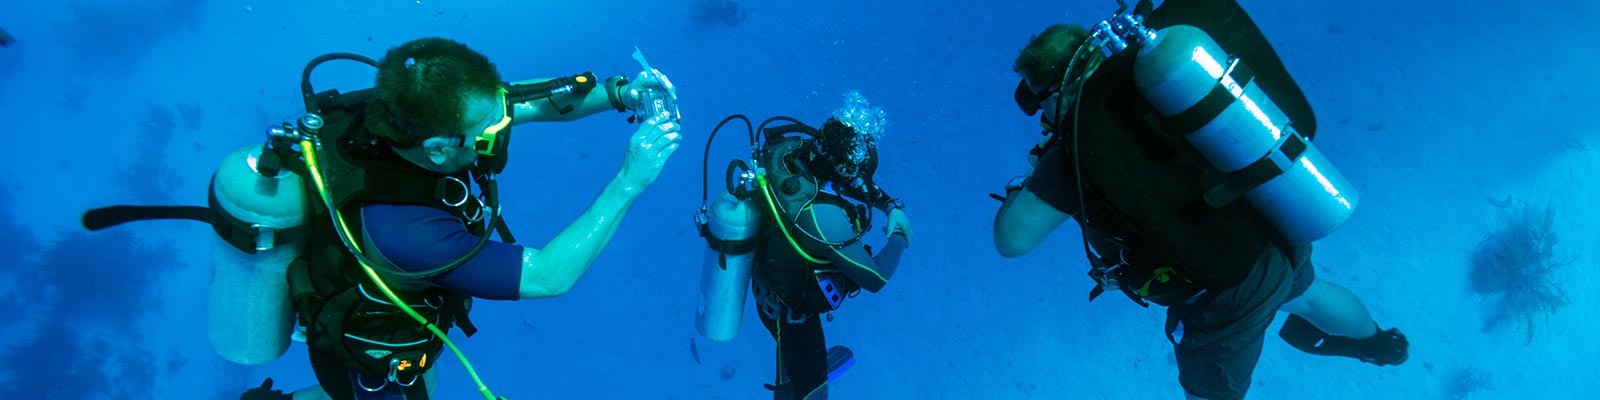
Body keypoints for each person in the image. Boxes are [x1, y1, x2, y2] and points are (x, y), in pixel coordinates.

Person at [991, 2, 1407, 400]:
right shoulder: (1157, 76)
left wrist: (1021, 188)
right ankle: (1380, 344)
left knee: (1208, 393)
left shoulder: (1077, 149)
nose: (1042, 114)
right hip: (1276, 221)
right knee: (1311, 295)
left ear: (1058, 89)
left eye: (1038, 99)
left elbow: (1013, 241)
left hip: (1229, 290)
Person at [706, 92, 913, 400]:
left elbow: (850, 180)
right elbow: (875, 278)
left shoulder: (792, 151)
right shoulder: (821, 216)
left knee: (790, 359)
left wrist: (890, 205)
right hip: (791, 315)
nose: (858, 182)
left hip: (768, 287)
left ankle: (793, 377)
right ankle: (801, 385)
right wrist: (900, 237)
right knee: (811, 392)